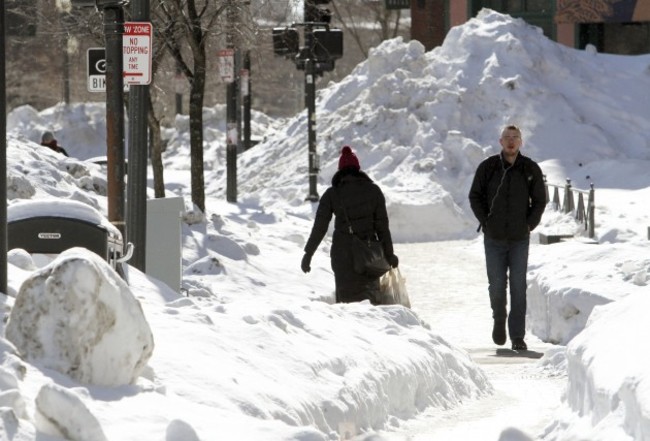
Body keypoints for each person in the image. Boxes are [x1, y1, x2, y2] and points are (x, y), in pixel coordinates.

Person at [468, 125, 546, 351]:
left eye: (515, 138)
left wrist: (529, 224)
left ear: (521, 142)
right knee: (497, 285)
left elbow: (540, 200)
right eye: (507, 138)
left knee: (519, 287)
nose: (511, 142)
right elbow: (475, 196)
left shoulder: (530, 168)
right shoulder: (488, 167)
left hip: (519, 238)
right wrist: (486, 221)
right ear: (500, 142)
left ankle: (517, 336)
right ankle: (499, 319)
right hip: (494, 238)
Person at [301, 145, 399, 304]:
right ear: (358, 169)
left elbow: (320, 227)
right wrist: (389, 254)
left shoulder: (332, 194)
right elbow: (382, 227)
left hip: (342, 257)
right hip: (368, 257)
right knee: (369, 303)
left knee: (347, 308)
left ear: (340, 170)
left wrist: (308, 254)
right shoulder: (374, 191)